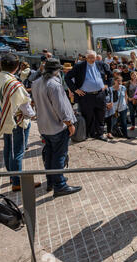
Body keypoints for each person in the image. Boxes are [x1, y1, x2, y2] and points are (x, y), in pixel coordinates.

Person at [0, 53, 40, 191]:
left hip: (4, 119)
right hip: (16, 122)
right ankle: (17, 181)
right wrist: (33, 115)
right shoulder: (14, 83)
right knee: (18, 151)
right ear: (17, 67)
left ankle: (12, 176)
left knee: (8, 148)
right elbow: (25, 106)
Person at [31, 59, 82, 197]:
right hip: (56, 126)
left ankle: (52, 181)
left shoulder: (36, 83)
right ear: (57, 70)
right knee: (59, 155)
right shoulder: (54, 85)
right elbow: (61, 108)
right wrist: (70, 124)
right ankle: (60, 185)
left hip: (43, 125)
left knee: (49, 155)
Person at [65, 50, 113, 141]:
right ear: (86, 58)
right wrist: (75, 90)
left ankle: (100, 134)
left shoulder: (101, 64)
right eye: (90, 57)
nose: (92, 59)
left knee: (101, 115)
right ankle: (87, 134)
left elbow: (110, 74)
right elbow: (67, 77)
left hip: (100, 94)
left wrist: (106, 84)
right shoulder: (79, 66)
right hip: (86, 96)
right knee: (88, 116)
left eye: (93, 57)